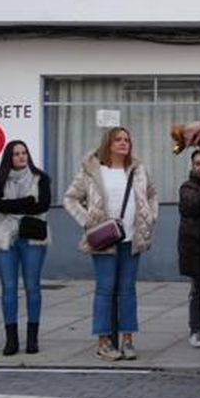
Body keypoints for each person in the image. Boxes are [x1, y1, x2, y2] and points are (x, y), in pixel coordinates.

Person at [63, 126, 158, 361]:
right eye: (118, 139)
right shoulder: (92, 170)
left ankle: (128, 340)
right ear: (108, 143)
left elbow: (152, 194)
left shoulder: (138, 169)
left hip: (132, 238)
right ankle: (103, 342)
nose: (124, 143)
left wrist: (150, 216)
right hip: (105, 240)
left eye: (127, 139)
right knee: (105, 290)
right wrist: (89, 222)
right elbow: (70, 199)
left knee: (128, 291)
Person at [0, 140, 51, 356]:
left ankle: (32, 339)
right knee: (8, 287)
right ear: (9, 157)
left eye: (24, 152)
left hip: (32, 236)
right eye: (16, 154)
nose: (21, 156)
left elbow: (42, 205)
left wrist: (13, 205)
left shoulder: (41, 178)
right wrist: (27, 201)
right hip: (4, 237)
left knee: (32, 286)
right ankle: (11, 340)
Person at [178, 149, 200, 348]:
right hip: (195, 248)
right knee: (198, 291)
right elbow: (194, 205)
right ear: (192, 167)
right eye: (198, 164)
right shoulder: (187, 187)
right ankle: (195, 330)